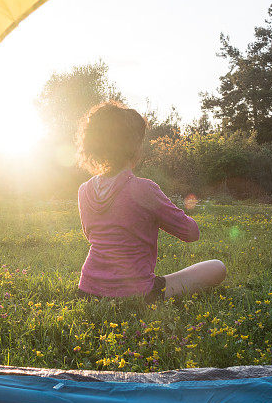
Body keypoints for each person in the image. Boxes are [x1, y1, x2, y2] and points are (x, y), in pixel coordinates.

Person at [75, 101, 226, 303]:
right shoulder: (144, 189)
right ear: (135, 146)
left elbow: (91, 235)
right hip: (137, 294)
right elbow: (192, 233)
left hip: (87, 290)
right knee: (217, 267)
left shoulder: (84, 189)